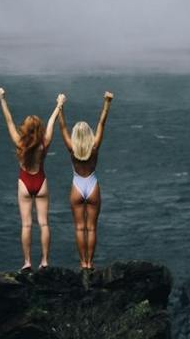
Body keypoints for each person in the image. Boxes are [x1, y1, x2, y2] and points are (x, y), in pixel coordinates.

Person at [0, 85, 64, 270]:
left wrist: (2, 99)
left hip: (24, 183)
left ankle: (27, 262)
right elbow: (51, 122)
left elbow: (9, 121)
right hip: (41, 182)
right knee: (44, 224)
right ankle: (45, 261)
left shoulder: (20, 143)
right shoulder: (44, 142)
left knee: (26, 225)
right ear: (38, 128)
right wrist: (59, 104)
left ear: (25, 128)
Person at [59, 89, 113, 270]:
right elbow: (101, 123)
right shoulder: (94, 146)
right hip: (92, 185)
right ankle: (90, 262)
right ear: (89, 134)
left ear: (75, 135)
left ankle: (82, 262)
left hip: (77, 185)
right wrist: (107, 103)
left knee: (79, 228)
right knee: (91, 228)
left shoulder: (72, 148)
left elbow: (62, 128)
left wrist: (60, 107)